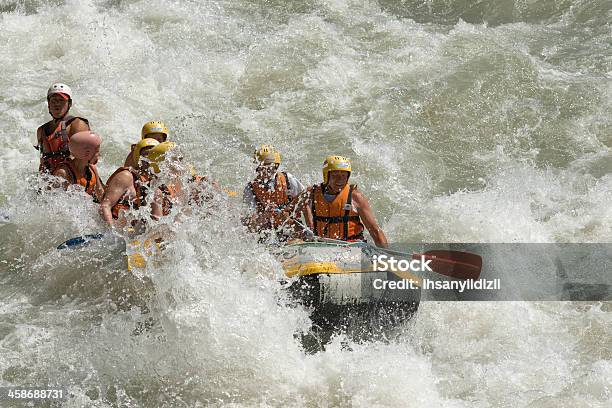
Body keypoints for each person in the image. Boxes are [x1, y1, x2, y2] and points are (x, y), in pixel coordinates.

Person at [293, 155, 388, 247]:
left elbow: (375, 231)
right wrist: (301, 232)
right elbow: (286, 213)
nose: (340, 180)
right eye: (335, 175)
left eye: (344, 176)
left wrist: (386, 256)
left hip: (352, 246)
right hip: (321, 246)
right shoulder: (311, 193)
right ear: (326, 176)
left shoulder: (356, 197)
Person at [100, 139, 174, 228]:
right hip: (114, 230)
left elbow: (156, 219)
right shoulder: (125, 177)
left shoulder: (158, 186)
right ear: (138, 157)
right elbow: (105, 205)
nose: (148, 158)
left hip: (135, 233)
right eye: (145, 154)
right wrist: (111, 233)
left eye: (152, 155)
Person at [242, 145, 305, 241]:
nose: (266, 172)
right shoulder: (250, 189)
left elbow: (305, 200)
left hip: (289, 228)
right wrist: (264, 216)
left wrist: (287, 213)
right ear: (256, 167)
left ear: (276, 166)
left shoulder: (288, 179)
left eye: (271, 168)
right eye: (263, 168)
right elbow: (251, 227)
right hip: (266, 233)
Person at [35, 83, 90, 173]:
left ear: (70, 103)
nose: (57, 104)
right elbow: (43, 162)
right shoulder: (41, 131)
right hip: (52, 180)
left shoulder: (77, 125)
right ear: (48, 103)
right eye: (53, 100)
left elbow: (87, 159)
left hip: (73, 178)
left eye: (61, 100)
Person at [52, 131, 105, 202]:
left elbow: (101, 195)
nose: (99, 154)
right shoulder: (64, 173)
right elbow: (54, 200)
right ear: (87, 154)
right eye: (97, 151)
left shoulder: (92, 169)